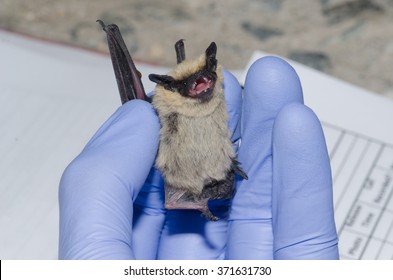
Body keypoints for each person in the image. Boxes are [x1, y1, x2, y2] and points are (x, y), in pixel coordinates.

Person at [58, 56, 339, 259]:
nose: (203, 86)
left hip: (215, 166)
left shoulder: (216, 100)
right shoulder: (172, 107)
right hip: (181, 170)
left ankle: (209, 194)